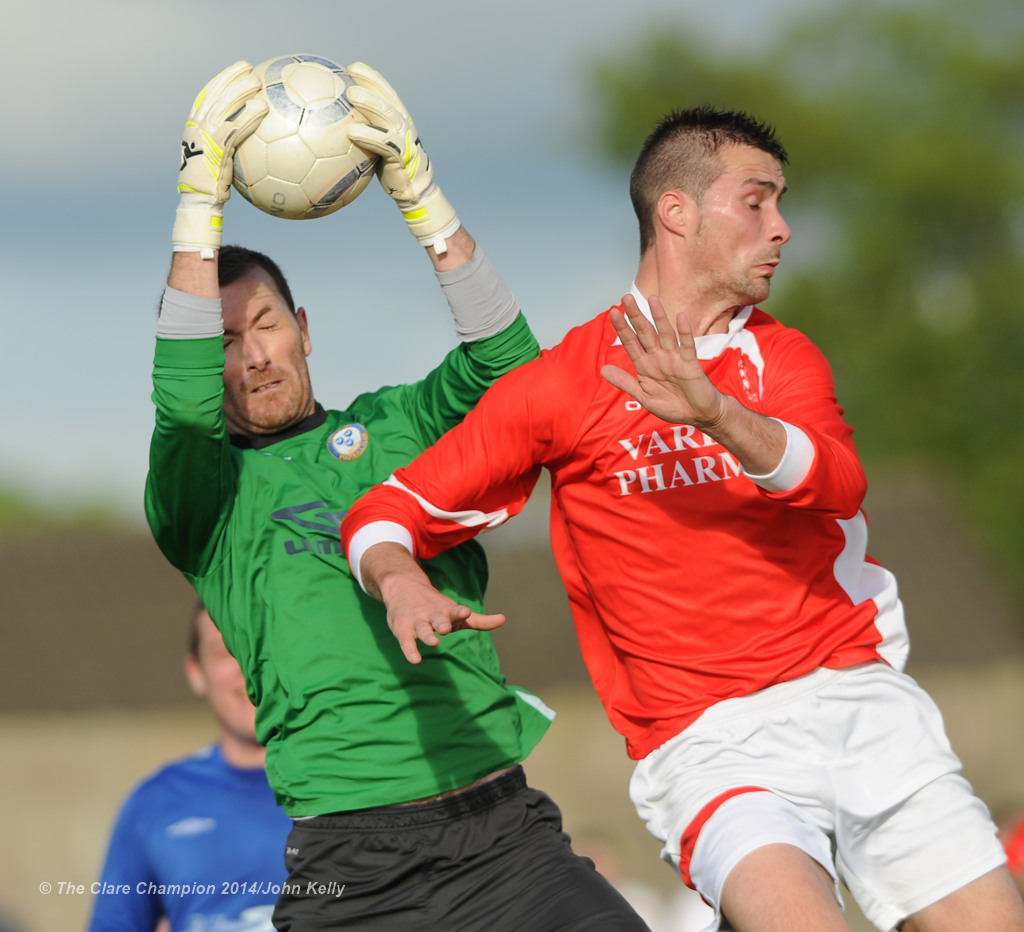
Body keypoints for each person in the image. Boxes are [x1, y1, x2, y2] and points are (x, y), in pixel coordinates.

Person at [341, 106, 1024, 931]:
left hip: (861, 702)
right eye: (757, 201)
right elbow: (384, 512)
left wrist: (717, 414)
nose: (783, 227)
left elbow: (838, 483)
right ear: (677, 211)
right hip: (710, 743)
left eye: (781, 203)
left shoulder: (784, 356)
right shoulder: (565, 381)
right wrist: (400, 578)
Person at [146, 60, 648, 931]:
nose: (254, 355)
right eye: (225, 341)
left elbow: (515, 373)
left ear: (303, 332)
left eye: (265, 325)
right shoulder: (205, 498)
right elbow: (183, 407)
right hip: (353, 868)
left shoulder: (397, 426)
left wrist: (424, 201)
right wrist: (199, 205)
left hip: (503, 840)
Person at [88, 603, 291, 932]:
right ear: (196, 673)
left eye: (260, 646)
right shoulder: (155, 801)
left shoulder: (352, 784)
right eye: (226, 651)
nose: (248, 666)